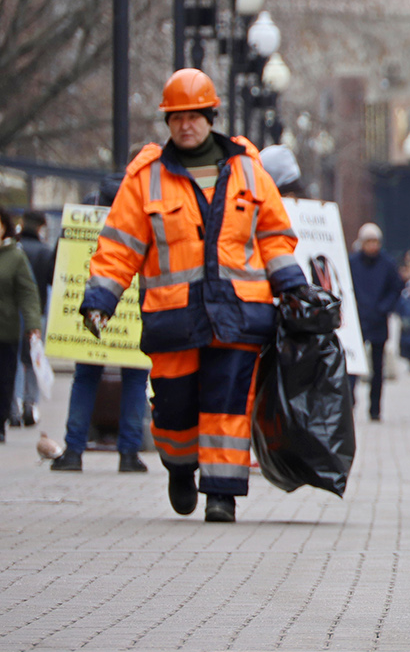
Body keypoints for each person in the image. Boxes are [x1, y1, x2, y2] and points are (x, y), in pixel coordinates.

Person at [80, 68, 309, 523]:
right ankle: (180, 467)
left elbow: (274, 236)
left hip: (240, 314)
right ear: (168, 122)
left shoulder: (248, 169)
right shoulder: (146, 176)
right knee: (174, 408)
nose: (186, 125)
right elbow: (120, 244)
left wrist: (294, 288)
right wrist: (99, 300)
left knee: (228, 405)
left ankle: (222, 494)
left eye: (195, 116)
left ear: (211, 116)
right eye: (177, 117)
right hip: (174, 317)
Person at [51, 176, 152, 473]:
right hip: (133, 314)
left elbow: (61, 265)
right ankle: (129, 453)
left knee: (84, 378)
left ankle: (73, 451)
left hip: (89, 310)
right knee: (135, 381)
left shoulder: (84, 219)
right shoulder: (142, 216)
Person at [349, 223, 403, 421]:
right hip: (358, 319)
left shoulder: (387, 263)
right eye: (369, 242)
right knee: (352, 365)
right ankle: (350, 402)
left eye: (376, 242)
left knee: (377, 368)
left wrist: (384, 308)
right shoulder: (352, 262)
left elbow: (396, 289)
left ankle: (375, 408)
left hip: (379, 320)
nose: (372, 246)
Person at [0, 207, 43, 445]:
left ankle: (1, 423)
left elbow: (28, 293)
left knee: (5, 380)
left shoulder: (15, 257)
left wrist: (33, 324)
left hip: (5, 330)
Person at [12, 210, 54, 428]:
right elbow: (51, 278)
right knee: (34, 357)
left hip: (12, 310)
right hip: (37, 311)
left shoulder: (14, 250)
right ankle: (31, 403)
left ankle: (15, 403)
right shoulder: (45, 251)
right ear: (41, 227)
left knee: (17, 359)